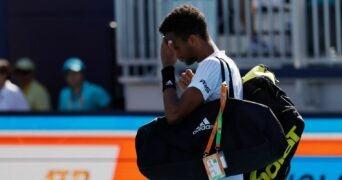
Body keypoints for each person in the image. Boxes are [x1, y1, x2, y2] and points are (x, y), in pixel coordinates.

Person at [159, 5, 243, 179]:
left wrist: (167, 68)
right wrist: (193, 91)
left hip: (219, 168)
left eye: (175, 47)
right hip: (222, 167)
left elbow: (173, 115)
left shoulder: (211, 65)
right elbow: (218, 113)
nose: (175, 54)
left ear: (192, 40)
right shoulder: (226, 62)